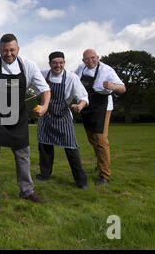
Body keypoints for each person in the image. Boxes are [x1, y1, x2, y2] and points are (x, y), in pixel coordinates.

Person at [0, 34, 51, 211]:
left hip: (17, 118)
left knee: (23, 156)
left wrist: (44, 107)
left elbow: (45, 89)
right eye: (5, 50)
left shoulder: (28, 66)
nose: (8, 53)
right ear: (0, 50)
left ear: (18, 50)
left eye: (12, 50)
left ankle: (27, 191)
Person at [36, 51, 89, 189]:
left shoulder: (72, 78)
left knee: (71, 148)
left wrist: (80, 105)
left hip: (63, 117)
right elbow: (29, 80)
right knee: (44, 147)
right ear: (50, 64)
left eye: (60, 62)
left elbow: (83, 96)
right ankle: (44, 174)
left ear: (64, 63)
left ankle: (81, 181)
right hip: (46, 116)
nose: (58, 65)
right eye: (54, 63)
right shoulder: (42, 74)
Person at [75, 49, 126, 186]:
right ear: (83, 60)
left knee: (101, 140)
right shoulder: (80, 69)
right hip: (87, 106)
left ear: (98, 57)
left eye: (93, 58)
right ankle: (99, 165)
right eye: (86, 59)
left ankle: (105, 175)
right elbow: (72, 80)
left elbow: (123, 88)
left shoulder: (107, 70)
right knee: (92, 139)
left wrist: (113, 86)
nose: (90, 61)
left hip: (102, 108)